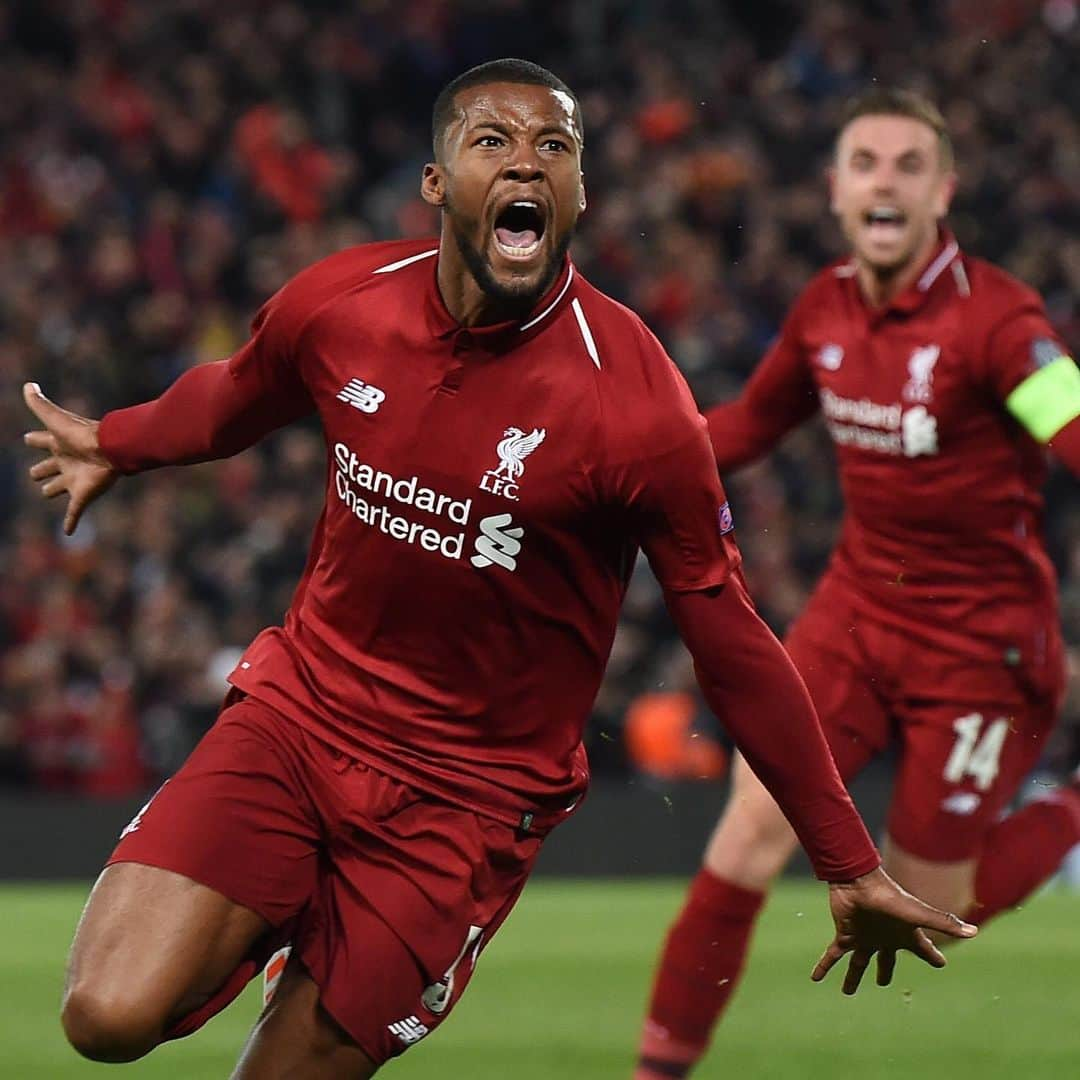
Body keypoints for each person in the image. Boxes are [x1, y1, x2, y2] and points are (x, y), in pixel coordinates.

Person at [23, 62, 973, 1080]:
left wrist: (844, 857)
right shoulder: (342, 303)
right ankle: (287, 916)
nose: (527, 162)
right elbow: (233, 396)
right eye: (493, 142)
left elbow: (731, 639)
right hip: (299, 722)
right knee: (104, 1017)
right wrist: (118, 441)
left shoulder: (638, 405)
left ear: (578, 195)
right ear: (437, 183)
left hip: (466, 802)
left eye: (554, 148)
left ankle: (328, 941)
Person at [635, 87, 1080, 1080]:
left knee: (933, 906)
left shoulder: (1000, 322)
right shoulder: (825, 308)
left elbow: (1070, 420)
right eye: (866, 164)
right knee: (748, 830)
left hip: (981, 642)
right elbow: (748, 426)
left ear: (943, 194)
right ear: (834, 190)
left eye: (909, 165)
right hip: (855, 615)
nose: (886, 181)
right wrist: (618, 465)